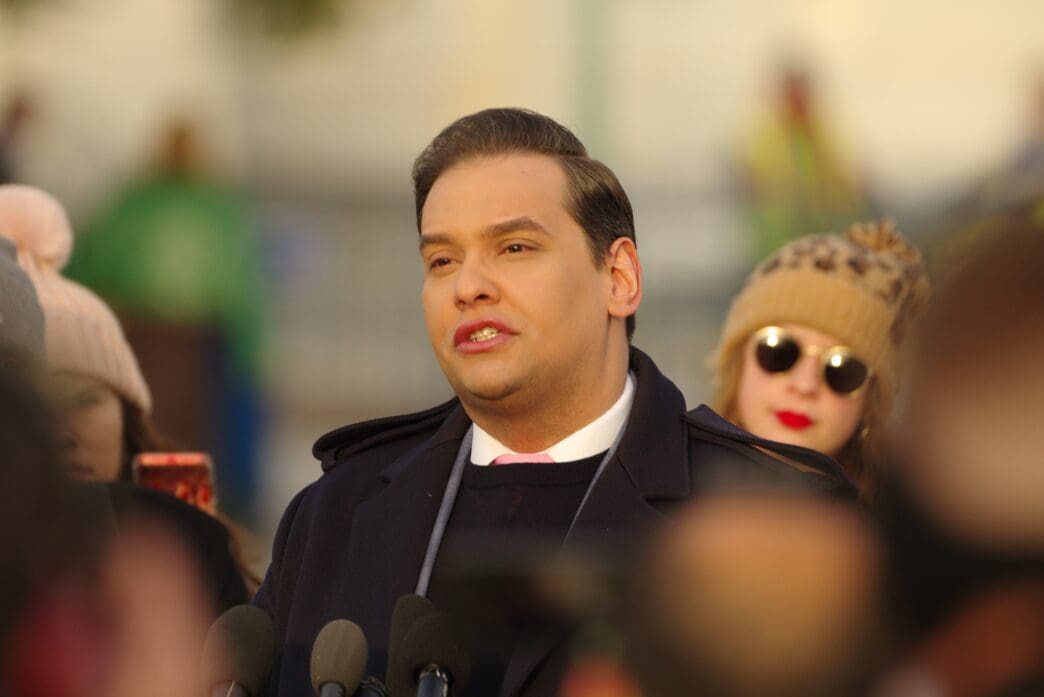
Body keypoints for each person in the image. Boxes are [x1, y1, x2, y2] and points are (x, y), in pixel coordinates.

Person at [255, 107, 856, 697]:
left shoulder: (775, 521)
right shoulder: (333, 514)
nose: (469, 287)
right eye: (442, 260)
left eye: (514, 248)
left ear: (619, 277)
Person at [0, 183, 255, 608]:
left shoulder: (194, 546)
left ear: (128, 416)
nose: (58, 431)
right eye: (34, 403)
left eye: (83, 400)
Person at [709, 220, 930, 501]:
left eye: (843, 368)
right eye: (778, 350)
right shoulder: (657, 499)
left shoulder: (898, 533)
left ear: (871, 402)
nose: (804, 385)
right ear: (738, 361)